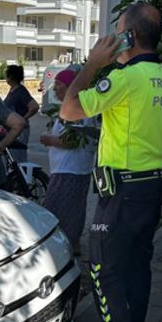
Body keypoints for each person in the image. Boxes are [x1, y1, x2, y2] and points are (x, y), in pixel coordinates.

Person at [60, 1, 162, 322]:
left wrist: (92, 65)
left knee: (103, 270)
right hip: (152, 188)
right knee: (137, 265)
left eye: (117, 31)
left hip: (121, 193)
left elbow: (68, 110)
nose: (113, 39)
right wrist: (146, 143)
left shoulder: (122, 79)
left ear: (129, 36)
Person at [40, 68, 97, 254]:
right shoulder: (75, 106)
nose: (55, 89)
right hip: (74, 168)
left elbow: (71, 141)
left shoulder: (77, 109)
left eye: (59, 85)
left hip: (70, 169)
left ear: (71, 87)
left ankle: (65, 247)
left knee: (57, 208)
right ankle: (72, 245)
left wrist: (49, 140)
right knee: (73, 209)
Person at [3, 65, 40, 162]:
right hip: (11, 129)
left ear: (11, 77)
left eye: (6, 75)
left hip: (20, 131)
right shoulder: (12, 90)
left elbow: (34, 107)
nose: (5, 78)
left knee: (18, 157)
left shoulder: (20, 91)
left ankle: (22, 176)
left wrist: (22, 119)